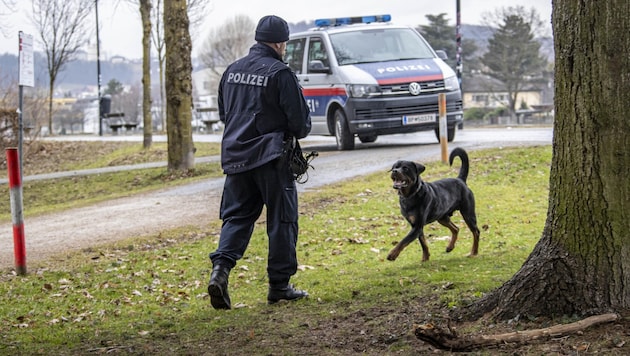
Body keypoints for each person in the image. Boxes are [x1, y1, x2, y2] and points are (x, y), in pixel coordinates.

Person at [208, 15, 312, 310]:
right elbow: (301, 124)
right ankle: (279, 286)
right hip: (271, 159)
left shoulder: (231, 71)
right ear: (280, 43)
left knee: (237, 217)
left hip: (237, 157)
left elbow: (224, 114)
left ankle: (220, 271)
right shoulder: (281, 74)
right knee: (282, 220)